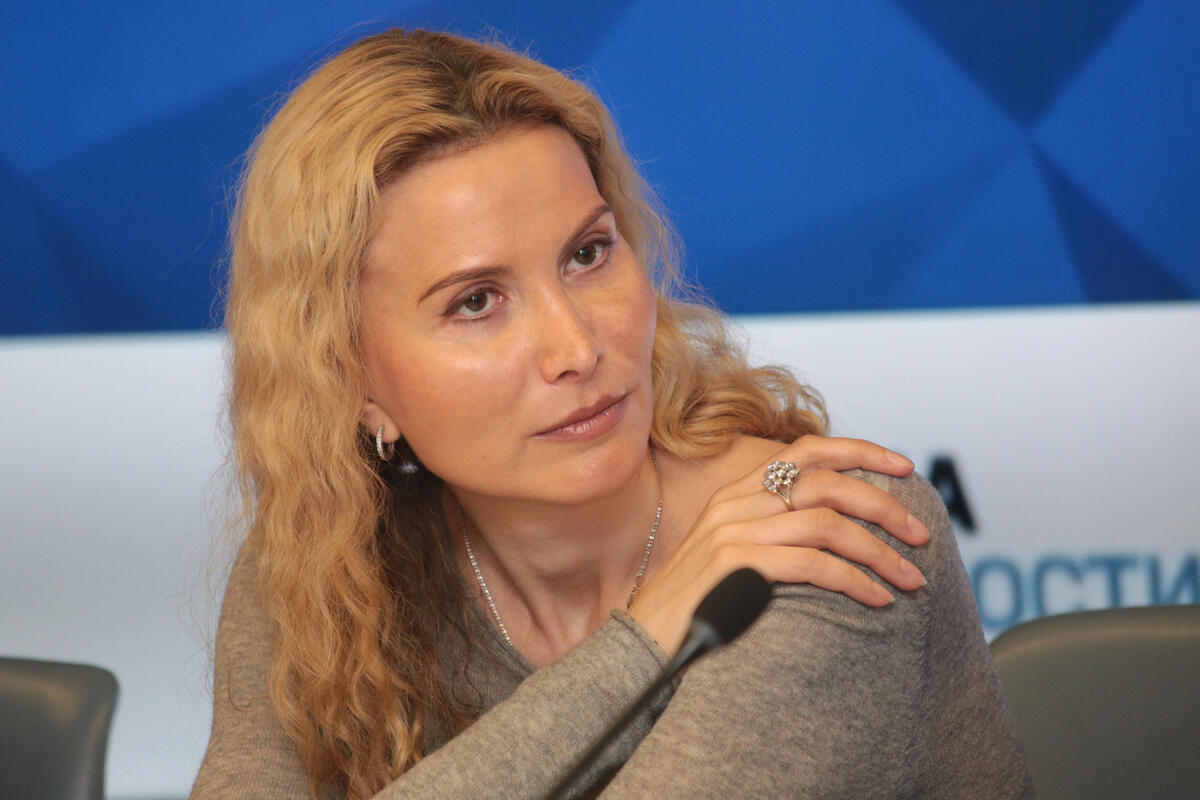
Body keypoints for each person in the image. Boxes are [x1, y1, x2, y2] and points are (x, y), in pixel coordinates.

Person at [191, 28, 1032, 800]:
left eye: (588, 255)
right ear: (351, 379)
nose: (576, 347)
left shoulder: (821, 535)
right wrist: (643, 642)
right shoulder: (326, 568)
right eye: (476, 301)